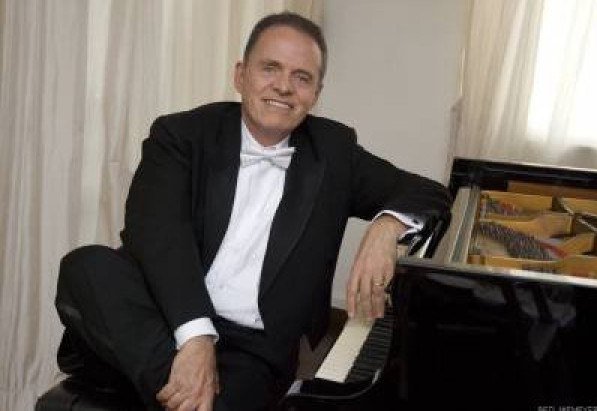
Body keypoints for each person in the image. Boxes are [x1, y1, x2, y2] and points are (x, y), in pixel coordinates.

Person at [55, 12, 451, 411]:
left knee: (228, 391)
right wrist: (195, 338)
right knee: (86, 265)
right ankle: (191, 382)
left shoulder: (334, 152)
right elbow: (157, 235)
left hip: (252, 347)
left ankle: (177, 389)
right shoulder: (181, 135)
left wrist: (386, 227)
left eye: (302, 77)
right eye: (270, 68)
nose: (284, 86)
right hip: (166, 314)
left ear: (316, 93)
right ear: (240, 75)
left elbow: (429, 192)